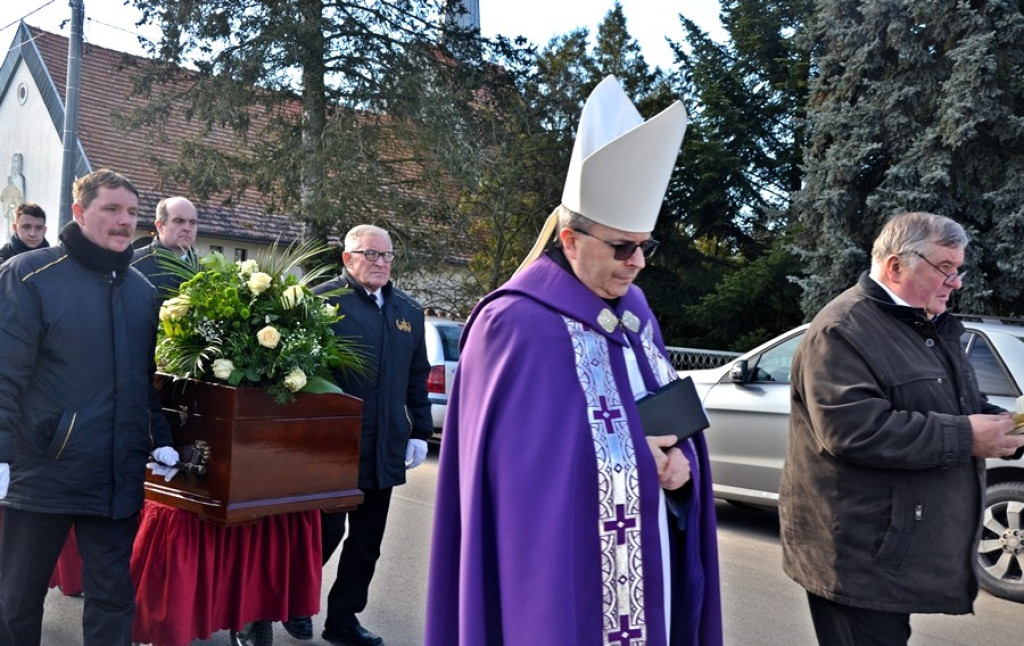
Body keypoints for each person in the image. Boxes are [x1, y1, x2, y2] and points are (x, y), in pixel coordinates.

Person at [424, 76, 722, 646]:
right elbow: (518, 482)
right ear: (569, 239)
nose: (637, 264)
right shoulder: (513, 322)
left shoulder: (635, 310)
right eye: (622, 247)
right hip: (557, 578)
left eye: (646, 246)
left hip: (646, 551)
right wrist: (637, 456)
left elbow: (666, 417)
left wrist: (684, 468)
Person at [779, 211, 1024, 646]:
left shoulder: (926, 326)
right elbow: (855, 431)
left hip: (891, 551)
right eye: (945, 268)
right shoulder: (842, 329)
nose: (957, 282)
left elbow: (954, 405)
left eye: (958, 269)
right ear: (896, 266)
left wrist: (1007, 426)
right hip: (857, 557)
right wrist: (968, 436)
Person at [0, 168, 179, 645]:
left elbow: (142, 380)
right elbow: (4, 373)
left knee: (113, 599)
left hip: (116, 475)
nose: (125, 222)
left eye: (133, 212)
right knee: (17, 600)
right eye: (112, 210)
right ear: (79, 213)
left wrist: (159, 440)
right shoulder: (29, 276)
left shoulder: (142, 291)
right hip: (43, 472)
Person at [282, 224, 432, 645]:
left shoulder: (407, 310)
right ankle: (296, 602)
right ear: (347, 258)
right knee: (323, 535)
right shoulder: (323, 302)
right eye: (372, 254)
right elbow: (299, 375)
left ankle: (343, 620)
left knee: (367, 543)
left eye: (387, 256)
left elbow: (416, 379)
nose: (381, 263)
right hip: (333, 448)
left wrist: (419, 430)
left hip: (384, 446)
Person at [131, 196, 199, 298]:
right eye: (179, 221)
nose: (187, 228)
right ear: (160, 226)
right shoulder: (132, 265)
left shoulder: (206, 271)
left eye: (192, 222)